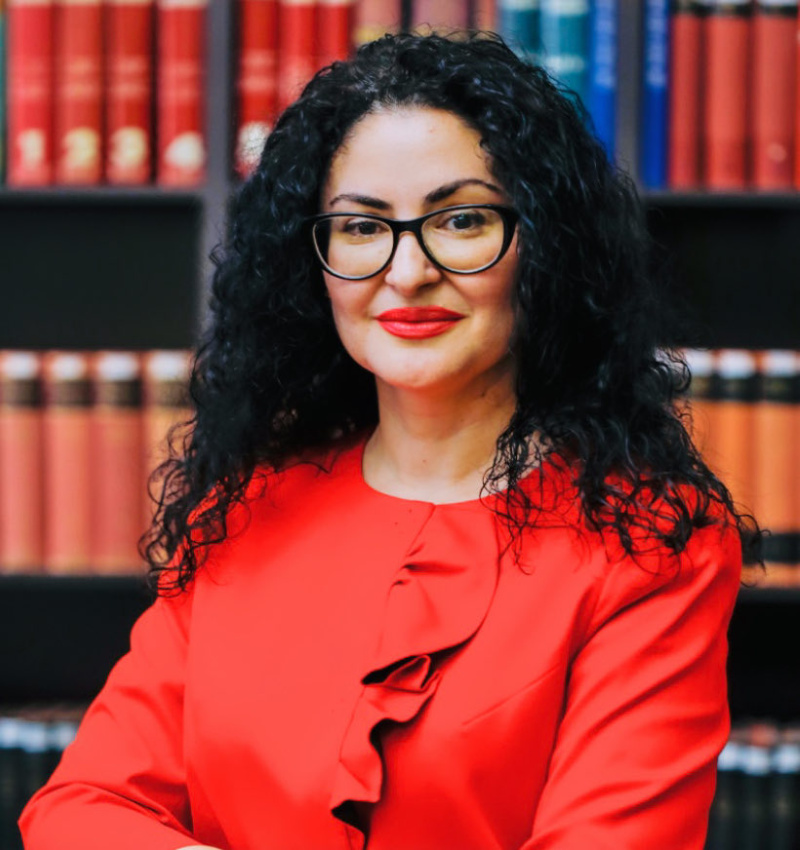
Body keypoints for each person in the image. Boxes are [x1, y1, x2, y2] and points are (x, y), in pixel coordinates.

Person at [20, 32, 759, 850]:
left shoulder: (650, 545)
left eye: (463, 219)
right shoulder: (245, 507)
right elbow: (79, 808)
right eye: (363, 227)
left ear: (547, 249)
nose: (406, 273)